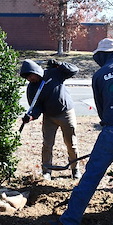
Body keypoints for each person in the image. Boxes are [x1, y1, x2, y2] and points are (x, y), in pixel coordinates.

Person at [48, 38, 113, 225]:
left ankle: (69, 220)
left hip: (110, 133)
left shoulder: (100, 75)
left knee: (90, 178)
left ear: (101, 55)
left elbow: (101, 110)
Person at [20, 59, 81, 181]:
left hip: (66, 113)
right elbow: (36, 107)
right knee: (47, 145)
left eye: (31, 76)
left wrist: (60, 64)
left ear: (36, 72)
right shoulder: (32, 88)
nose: (30, 80)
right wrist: (30, 117)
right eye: (27, 78)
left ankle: (75, 169)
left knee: (71, 143)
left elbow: (74, 70)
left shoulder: (53, 73)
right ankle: (46, 171)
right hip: (49, 117)